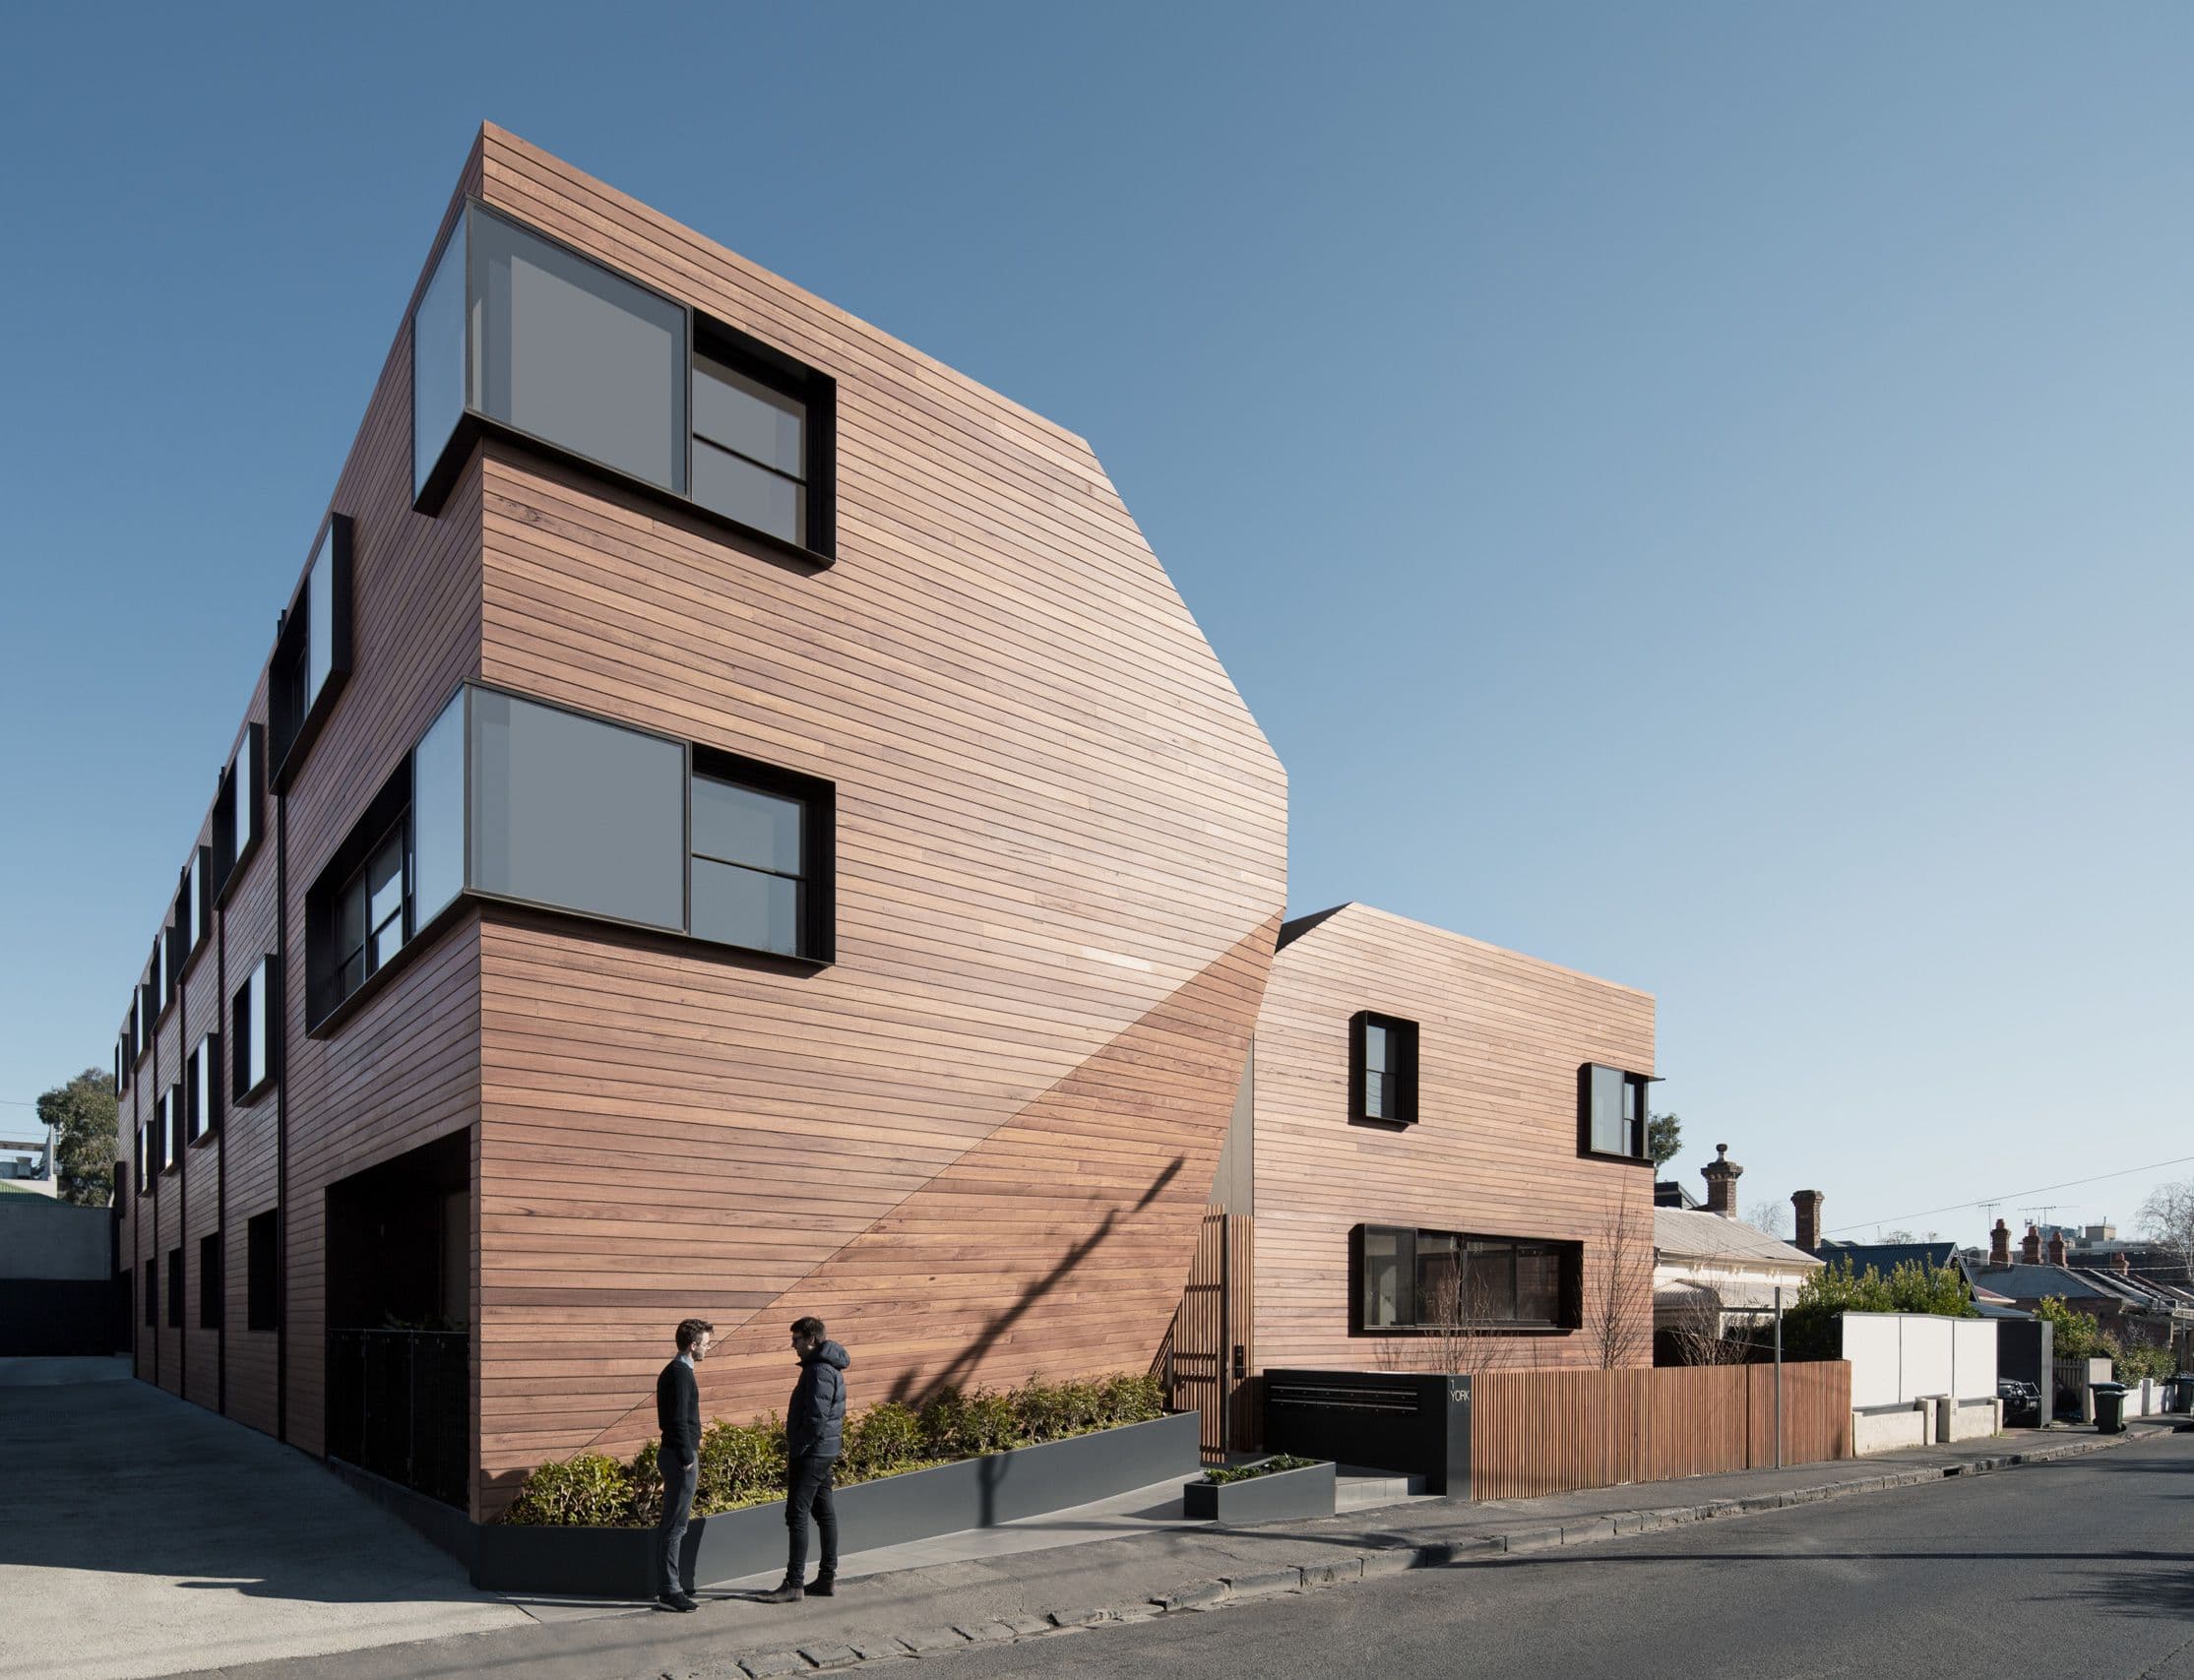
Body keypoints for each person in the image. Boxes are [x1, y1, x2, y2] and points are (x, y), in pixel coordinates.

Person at [760, 1316, 850, 1602]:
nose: (793, 1345)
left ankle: (794, 1584)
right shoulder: (828, 1366)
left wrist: (798, 1446)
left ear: (811, 1339)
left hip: (812, 1452)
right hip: (824, 1450)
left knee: (797, 1515)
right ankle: (826, 1578)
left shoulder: (818, 1370)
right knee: (824, 1513)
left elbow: (815, 1417)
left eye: (796, 1339)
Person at [655, 1317, 713, 1612]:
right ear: (693, 1345)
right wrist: (687, 1457)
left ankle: (672, 1583)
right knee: (676, 1526)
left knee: (675, 1524)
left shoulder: (678, 1371)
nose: (708, 1348)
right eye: (706, 1344)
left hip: (677, 1455)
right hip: (680, 1458)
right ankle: (670, 1591)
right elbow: (677, 1420)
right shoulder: (679, 1374)